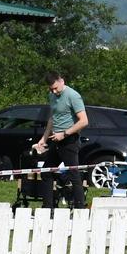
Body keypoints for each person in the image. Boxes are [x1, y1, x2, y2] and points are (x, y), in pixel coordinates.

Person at [32, 73, 89, 208]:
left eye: (56, 88)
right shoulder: (52, 96)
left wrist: (64, 134)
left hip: (70, 140)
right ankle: (48, 207)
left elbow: (84, 121)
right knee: (46, 172)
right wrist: (43, 138)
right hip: (56, 140)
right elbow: (52, 118)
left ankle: (80, 208)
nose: (54, 91)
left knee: (73, 174)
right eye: (51, 89)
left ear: (62, 81)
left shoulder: (73, 96)